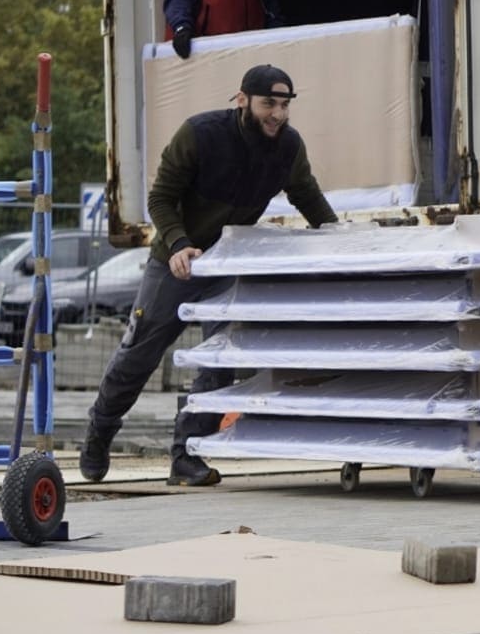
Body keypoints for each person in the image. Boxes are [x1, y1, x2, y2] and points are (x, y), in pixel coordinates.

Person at [80, 64, 337, 486]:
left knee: (220, 361)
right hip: (175, 262)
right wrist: (180, 244)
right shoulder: (199, 135)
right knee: (138, 355)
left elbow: (306, 194)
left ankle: (186, 457)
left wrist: (338, 240)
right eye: (268, 103)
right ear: (242, 100)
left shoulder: (288, 146)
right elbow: (161, 198)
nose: (277, 114)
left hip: (225, 266)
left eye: (285, 105)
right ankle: (100, 431)